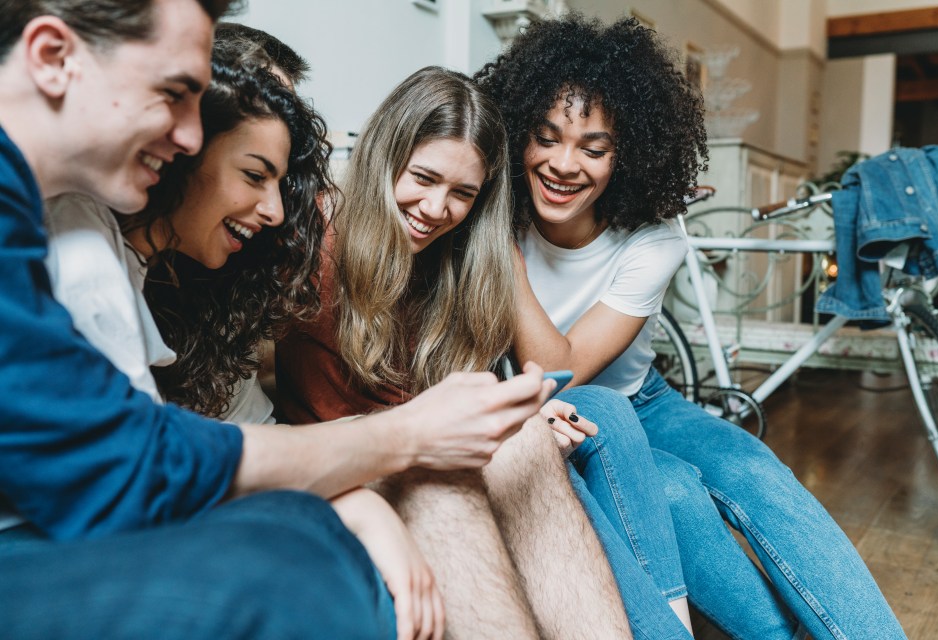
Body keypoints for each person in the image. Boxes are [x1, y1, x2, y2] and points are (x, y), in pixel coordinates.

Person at [0, 2, 552, 638]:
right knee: (296, 564)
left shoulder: (105, 240)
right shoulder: (76, 237)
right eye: (175, 94)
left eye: (465, 195)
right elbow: (127, 462)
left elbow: (156, 436)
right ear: (50, 56)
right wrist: (403, 439)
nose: (187, 135)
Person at [475, 14, 908, 640]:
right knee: (673, 491)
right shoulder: (489, 212)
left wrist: (505, 255)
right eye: (546, 138)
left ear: (626, 156)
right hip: (551, 420)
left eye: (594, 149)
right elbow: (546, 383)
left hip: (643, 402)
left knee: (757, 471)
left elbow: (564, 366)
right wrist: (502, 238)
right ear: (519, 136)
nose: (565, 165)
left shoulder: (652, 238)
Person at [277, 66, 645, 640]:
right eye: (423, 178)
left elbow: (462, 393)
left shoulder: (462, 258)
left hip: (425, 443)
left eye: (463, 194)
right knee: (444, 483)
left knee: (527, 440)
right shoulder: (311, 230)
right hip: (345, 457)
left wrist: (512, 412)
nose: (436, 208)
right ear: (384, 157)